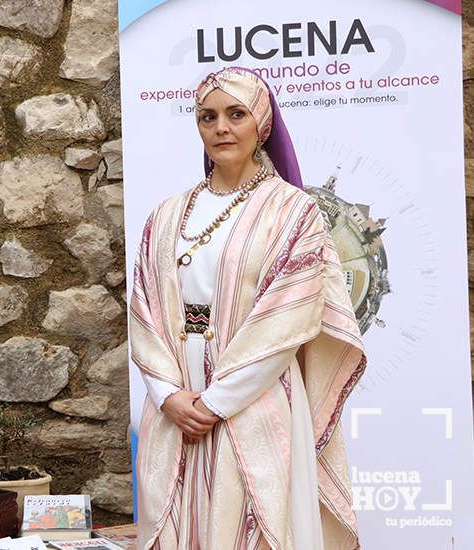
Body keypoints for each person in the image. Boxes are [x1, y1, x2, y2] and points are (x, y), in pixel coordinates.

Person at [130, 67, 366, 549]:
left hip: (253, 401)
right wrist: (171, 395)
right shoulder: (167, 214)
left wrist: (216, 402)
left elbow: (287, 316)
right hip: (176, 404)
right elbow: (145, 310)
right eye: (207, 116)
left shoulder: (293, 212)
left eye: (236, 114)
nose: (221, 128)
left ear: (261, 124)